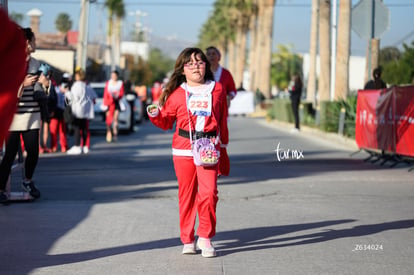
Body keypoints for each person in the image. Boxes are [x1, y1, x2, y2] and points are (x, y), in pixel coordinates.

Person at [147, 47, 229, 258]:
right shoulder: (176, 94)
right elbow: (166, 122)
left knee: (209, 193)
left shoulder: (217, 89)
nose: (196, 66)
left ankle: (205, 236)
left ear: (206, 66)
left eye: (200, 62)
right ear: (182, 69)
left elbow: (222, 121)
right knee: (187, 195)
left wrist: (224, 148)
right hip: (183, 149)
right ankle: (187, 238)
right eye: (190, 63)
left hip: (209, 147)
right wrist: (155, 114)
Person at [0, 27, 43, 202]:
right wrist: (22, 84)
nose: (35, 44)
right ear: (27, 43)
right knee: (9, 154)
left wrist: (45, 83)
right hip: (13, 116)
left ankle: (27, 181)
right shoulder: (9, 62)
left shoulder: (36, 64)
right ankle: (1, 188)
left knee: (33, 152)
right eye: (33, 40)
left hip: (32, 114)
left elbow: (42, 91)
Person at [206, 46, 235, 177]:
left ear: (219, 57)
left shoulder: (226, 74)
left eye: (213, 54)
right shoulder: (203, 73)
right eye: (208, 54)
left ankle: (219, 165)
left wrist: (229, 96)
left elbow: (233, 90)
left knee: (220, 138)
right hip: (205, 112)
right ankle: (209, 162)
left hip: (222, 112)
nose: (211, 57)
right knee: (209, 137)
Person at [65, 69, 95, 155]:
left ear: (78, 76)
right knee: (84, 128)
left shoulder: (76, 85)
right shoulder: (86, 85)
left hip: (77, 109)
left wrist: (66, 92)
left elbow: (73, 97)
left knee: (77, 128)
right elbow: (92, 97)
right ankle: (85, 146)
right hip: (85, 110)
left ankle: (77, 146)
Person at [36, 63, 57, 153]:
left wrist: (52, 109)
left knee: (45, 128)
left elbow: (54, 97)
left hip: (47, 108)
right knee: (39, 128)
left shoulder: (51, 83)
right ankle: (39, 146)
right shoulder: (37, 83)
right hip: (39, 108)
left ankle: (43, 146)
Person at [49, 73, 70, 153]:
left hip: (58, 111)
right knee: (58, 131)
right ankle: (61, 147)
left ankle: (58, 146)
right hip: (58, 111)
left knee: (59, 131)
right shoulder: (57, 89)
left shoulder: (56, 89)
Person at [103, 70, 125, 142]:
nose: (113, 77)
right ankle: (109, 132)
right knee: (108, 118)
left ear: (117, 76)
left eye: (114, 76)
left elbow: (121, 93)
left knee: (115, 119)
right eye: (112, 75)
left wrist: (117, 96)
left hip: (116, 102)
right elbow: (105, 93)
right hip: (109, 103)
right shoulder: (108, 83)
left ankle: (115, 134)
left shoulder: (120, 83)